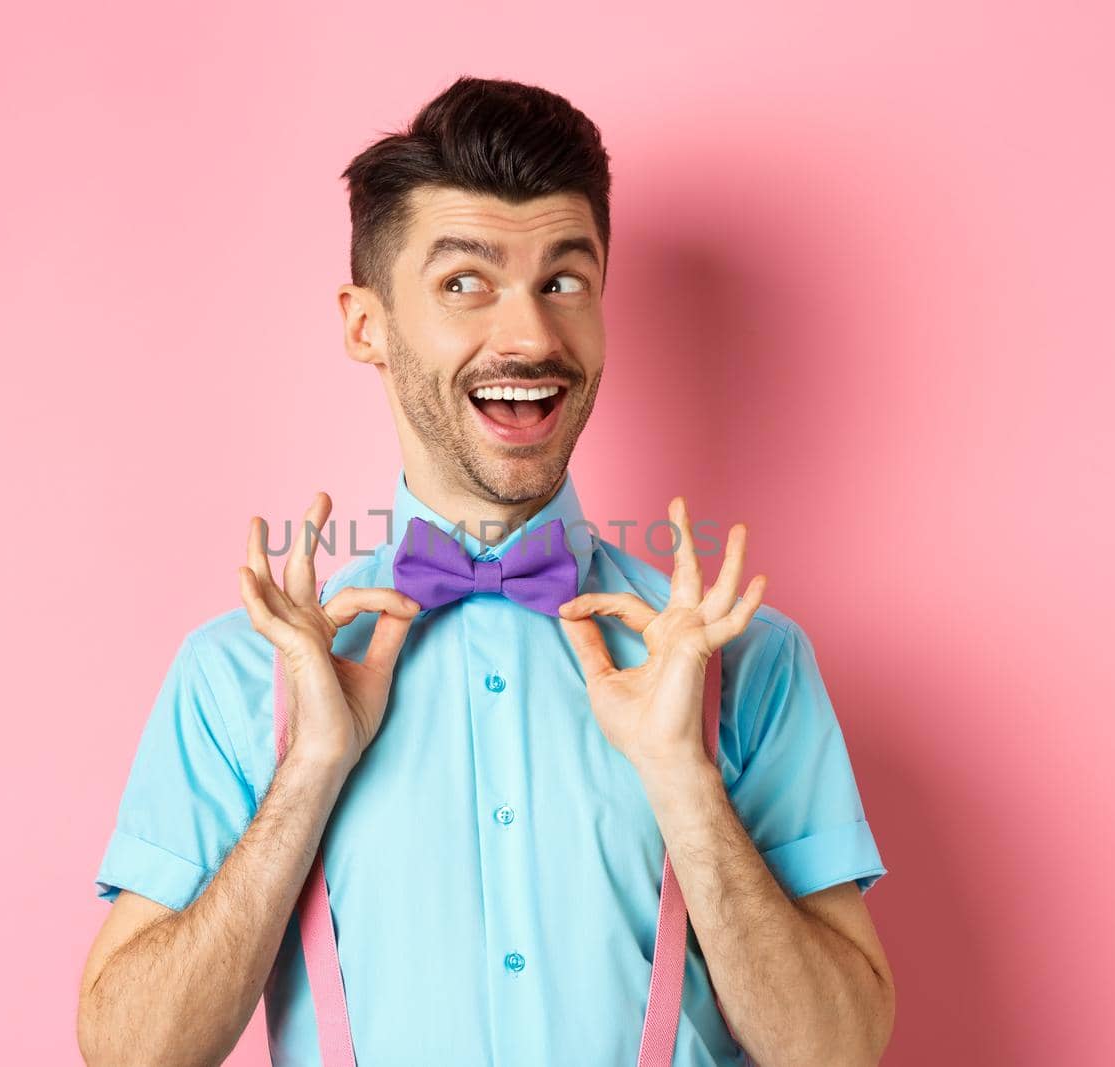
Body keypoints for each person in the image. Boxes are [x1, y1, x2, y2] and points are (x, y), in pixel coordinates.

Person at [77, 75, 894, 1067]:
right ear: (364, 324)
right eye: (464, 283)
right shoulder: (240, 674)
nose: (530, 337)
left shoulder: (744, 657)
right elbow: (129, 1051)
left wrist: (684, 780)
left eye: (564, 282)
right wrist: (306, 770)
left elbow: (838, 1050)